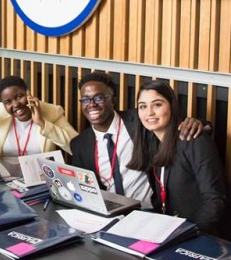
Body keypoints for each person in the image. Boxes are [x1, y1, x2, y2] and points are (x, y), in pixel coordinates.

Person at [129, 79, 231, 252]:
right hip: (203, 232)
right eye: (142, 106)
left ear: (172, 106)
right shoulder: (151, 144)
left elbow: (214, 200)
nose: (149, 112)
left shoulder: (193, 140)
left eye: (157, 104)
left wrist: (186, 236)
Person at [69, 72, 203, 209]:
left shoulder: (140, 120)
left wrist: (201, 124)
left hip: (149, 211)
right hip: (110, 214)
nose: (91, 104)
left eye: (98, 98)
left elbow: (176, 123)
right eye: (85, 100)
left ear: (113, 100)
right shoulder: (80, 144)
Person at [0, 75, 78, 176]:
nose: (15, 104)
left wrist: (42, 123)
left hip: (39, 178)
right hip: (3, 178)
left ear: (28, 93)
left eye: (19, 96)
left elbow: (76, 147)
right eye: (8, 102)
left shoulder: (52, 112)